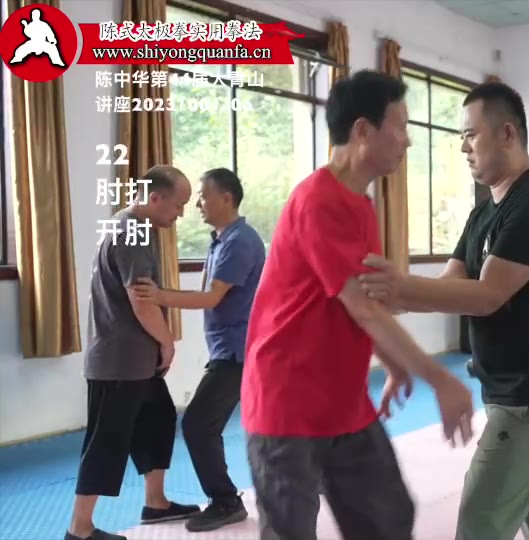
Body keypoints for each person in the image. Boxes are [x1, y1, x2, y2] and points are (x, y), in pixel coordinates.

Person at [239, 69, 475, 540]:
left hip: (344, 401)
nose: (407, 141)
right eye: (400, 127)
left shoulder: (361, 206)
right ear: (364, 130)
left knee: (388, 517)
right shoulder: (317, 201)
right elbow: (363, 308)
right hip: (288, 403)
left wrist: (394, 363)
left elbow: (364, 303)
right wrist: (441, 379)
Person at [359, 81, 529, 540]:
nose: (463, 147)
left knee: (480, 520)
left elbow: (487, 295)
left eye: (470, 135)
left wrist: (398, 289)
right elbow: (451, 284)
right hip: (513, 389)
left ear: (507, 133)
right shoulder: (485, 211)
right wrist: (393, 306)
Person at [66, 165, 200, 540]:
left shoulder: (132, 225)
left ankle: (155, 503)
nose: (181, 214)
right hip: (118, 363)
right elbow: (141, 300)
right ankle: (79, 529)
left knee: (159, 419)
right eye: (178, 205)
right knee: (107, 442)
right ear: (155, 198)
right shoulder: (133, 232)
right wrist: (167, 342)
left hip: (134, 362)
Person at [132, 168, 265, 532]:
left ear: (226, 198)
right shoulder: (222, 239)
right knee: (212, 424)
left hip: (237, 353)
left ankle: (226, 501)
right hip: (229, 349)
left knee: (197, 425)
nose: (197, 205)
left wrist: (159, 296)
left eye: (204, 197)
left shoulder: (239, 241)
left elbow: (211, 297)